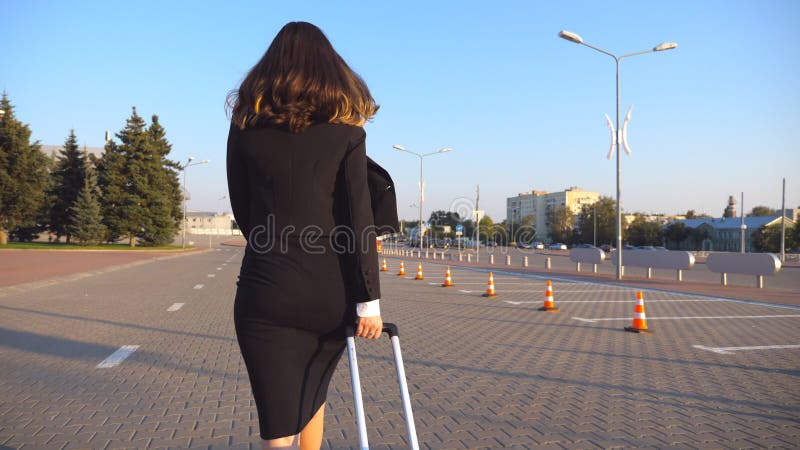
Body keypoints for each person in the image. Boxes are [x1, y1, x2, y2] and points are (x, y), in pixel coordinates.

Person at [226, 22, 387, 449]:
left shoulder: (245, 128)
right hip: (328, 294)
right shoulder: (348, 134)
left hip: (265, 288)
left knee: (280, 418)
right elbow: (358, 222)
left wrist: (270, 245)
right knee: (312, 389)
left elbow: (242, 207)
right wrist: (368, 302)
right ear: (331, 71)